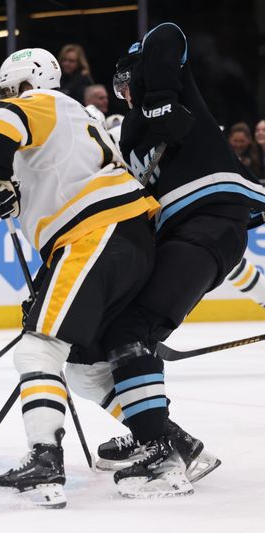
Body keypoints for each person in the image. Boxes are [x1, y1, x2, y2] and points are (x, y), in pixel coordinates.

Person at [0, 48, 159, 508]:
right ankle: (169, 441)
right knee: (81, 368)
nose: (4, 96)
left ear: (23, 82)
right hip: (124, 239)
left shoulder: (41, 103)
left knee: (38, 347)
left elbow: (3, 121)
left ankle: (44, 459)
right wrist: (8, 192)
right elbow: (46, 181)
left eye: (7, 88)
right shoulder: (74, 121)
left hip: (93, 234)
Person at [88, 22, 265, 498]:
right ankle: (164, 434)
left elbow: (168, 37)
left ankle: (158, 450)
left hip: (210, 221)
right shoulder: (129, 137)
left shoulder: (167, 81)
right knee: (115, 333)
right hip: (186, 234)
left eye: (129, 78)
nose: (124, 90)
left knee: (129, 331)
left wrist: (159, 93)